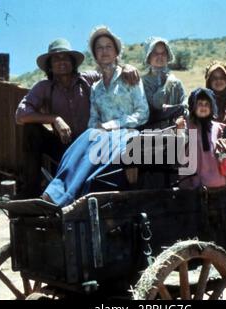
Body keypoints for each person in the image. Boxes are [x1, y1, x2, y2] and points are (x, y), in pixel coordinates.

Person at [15, 38, 140, 198]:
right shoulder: (44, 87)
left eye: (66, 57)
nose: (61, 62)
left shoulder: (89, 79)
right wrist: (55, 119)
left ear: (73, 62)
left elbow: (112, 73)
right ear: (50, 66)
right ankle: (31, 193)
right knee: (31, 130)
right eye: (56, 58)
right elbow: (20, 115)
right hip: (63, 147)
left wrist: (125, 67)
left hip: (93, 147)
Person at [42, 26, 149, 207]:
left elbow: (143, 113)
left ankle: (68, 199)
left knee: (97, 143)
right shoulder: (96, 88)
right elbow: (93, 119)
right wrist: (97, 129)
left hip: (129, 134)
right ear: (95, 54)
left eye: (109, 46)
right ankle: (54, 191)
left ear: (116, 52)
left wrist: (112, 125)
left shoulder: (130, 77)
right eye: (99, 47)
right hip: (104, 136)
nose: (104, 51)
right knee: (83, 141)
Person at [142, 37, 187, 129]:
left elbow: (185, 104)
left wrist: (181, 116)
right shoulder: (142, 83)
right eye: (155, 53)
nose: (160, 56)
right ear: (149, 56)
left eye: (163, 53)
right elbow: (157, 104)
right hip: (150, 133)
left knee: (193, 132)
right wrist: (168, 83)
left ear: (167, 56)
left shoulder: (176, 82)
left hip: (175, 129)